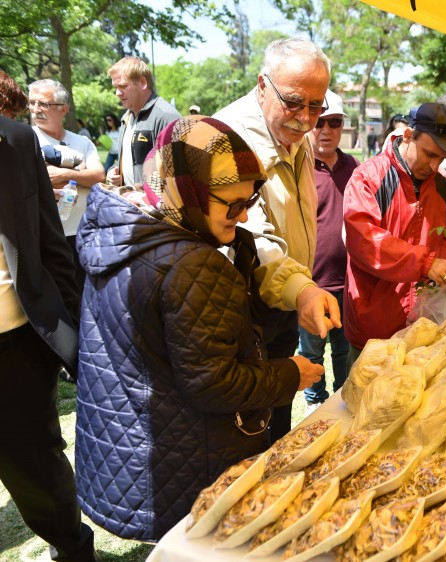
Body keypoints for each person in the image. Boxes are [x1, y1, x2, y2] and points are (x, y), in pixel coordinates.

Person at [73, 116, 323, 542]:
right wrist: (290, 374)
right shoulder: (194, 264)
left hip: (128, 453)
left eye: (250, 201)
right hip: (182, 463)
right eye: (232, 204)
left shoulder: (124, 233)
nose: (243, 215)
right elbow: (213, 383)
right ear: (187, 192)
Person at [215, 37, 340, 441]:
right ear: (262, 85)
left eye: (317, 105)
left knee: (278, 430)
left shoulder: (291, 132)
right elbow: (252, 241)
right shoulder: (230, 141)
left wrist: (300, 290)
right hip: (243, 317)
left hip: (282, 306)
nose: (306, 119)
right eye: (294, 102)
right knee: (249, 438)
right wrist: (302, 290)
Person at [0, 73, 99, 562]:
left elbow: (48, 241)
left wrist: (74, 331)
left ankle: (75, 550)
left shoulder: (15, 141)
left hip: (15, 343)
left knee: (37, 466)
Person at [343, 102, 446, 370]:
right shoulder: (368, 178)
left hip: (423, 327)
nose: (434, 166)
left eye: (443, 159)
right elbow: (365, 241)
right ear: (409, 136)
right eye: (429, 154)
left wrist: (445, 270)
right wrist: (426, 263)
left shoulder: (444, 187)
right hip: (374, 328)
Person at [299, 90, 358, 413]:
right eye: (319, 122)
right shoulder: (301, 165)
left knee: (343, 352)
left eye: (334, 123)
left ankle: (342, 399)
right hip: (310, 284)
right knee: (310, 352)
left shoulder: (354, 167)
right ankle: (314, 402)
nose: (326, 130)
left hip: (347, 284)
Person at [29, 79, 105, 292]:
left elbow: (99, 175)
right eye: (32, 103)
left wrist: (63, 173)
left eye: (43, 103)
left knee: (86, 295)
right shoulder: (27, 139)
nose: (36, 109)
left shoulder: (82, 142)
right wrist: (81, 174)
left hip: (84, 233)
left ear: (63, 108)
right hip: (47, 236)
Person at [106, 56, 180, 188]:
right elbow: (129, 159)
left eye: (123, 86)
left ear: (143, 83)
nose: (117, 93)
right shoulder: (126, 118)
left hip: (155, 207)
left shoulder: (166, 116)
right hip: (130, 204)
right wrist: (114, 170)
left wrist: (146, 195)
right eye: (115, 87)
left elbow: (177, 173)